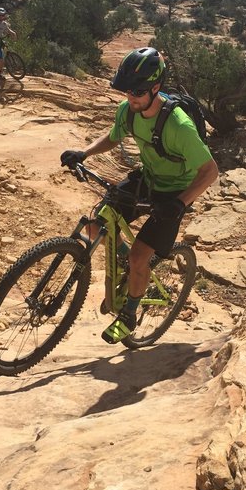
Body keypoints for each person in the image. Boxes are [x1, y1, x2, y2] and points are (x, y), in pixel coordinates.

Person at [60, 46, 219, 344]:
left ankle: (130, 312)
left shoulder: (178, 125)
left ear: (155, 87)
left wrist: (180, 203)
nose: (130, 97)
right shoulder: (128, 110)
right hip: (147, 180)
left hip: (174, 193)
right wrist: (84, 152)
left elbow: (210, 171)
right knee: (97, 226)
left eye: (137, 91)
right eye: (127, 91)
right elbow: (114, 136)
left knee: (138, 258)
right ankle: (129, 268)